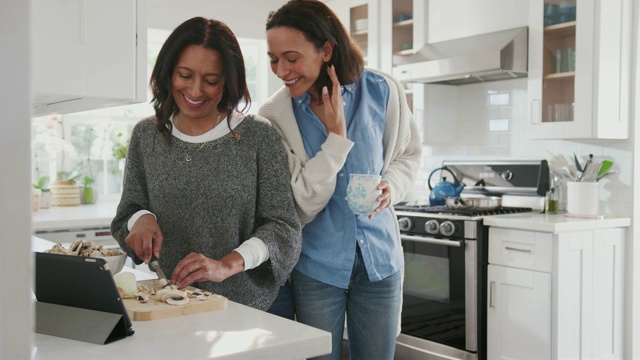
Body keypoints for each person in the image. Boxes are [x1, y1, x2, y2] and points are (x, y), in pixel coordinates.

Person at [258, 1, 422, 359]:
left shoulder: (382, 91)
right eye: (273, 59)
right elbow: (298, 201)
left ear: (326, 50)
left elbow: (407, 157)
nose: (281, 70)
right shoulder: (275, 117)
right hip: (318, 266)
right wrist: (336, 138)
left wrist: (391, 186)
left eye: (291, 57)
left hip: (380, 262)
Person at [111, 17, 302, 312]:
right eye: (185, 75)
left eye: (211, 80)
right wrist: (141, 219)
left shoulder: (257, 136)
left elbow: (283, 228)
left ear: (228, 81)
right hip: (170, 304)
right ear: (167, 73)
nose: (196, 90)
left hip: (247, 308)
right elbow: (127, 214)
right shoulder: (146, 136)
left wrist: (226, 265)